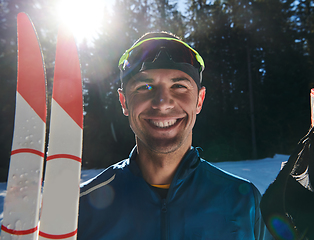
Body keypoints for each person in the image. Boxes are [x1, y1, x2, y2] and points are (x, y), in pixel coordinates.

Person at [77, 32, 272, 240]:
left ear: (199, 100)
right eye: (144, 87)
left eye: (179, 86)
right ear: (124, 102)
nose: (162, 102)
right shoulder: (82, 207)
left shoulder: (243, 201)